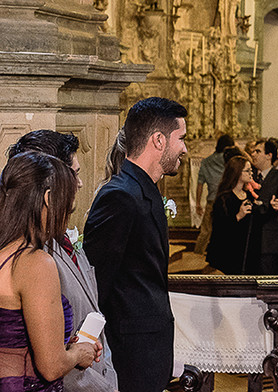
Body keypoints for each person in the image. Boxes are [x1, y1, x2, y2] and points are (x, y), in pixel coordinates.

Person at [84, 97, 188, 392]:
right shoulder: (120, 196)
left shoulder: (144, 190)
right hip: (129, 350)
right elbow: (96, 278)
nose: (184, 148)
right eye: (180, 138)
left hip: (147, 347)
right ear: (158, 140)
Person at [5, 133, 114, 392]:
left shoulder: (8, 250)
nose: (78, 184)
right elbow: (51, 365)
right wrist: (77, 353)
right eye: (71, 177)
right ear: (48, 195)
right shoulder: (35, 260)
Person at [205, 154, 257, 274]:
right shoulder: (224, 198)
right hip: (229, 250)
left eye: (251, 170)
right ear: (238, 173)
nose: (251, 173)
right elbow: (219, 228)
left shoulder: (249, 195)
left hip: (247, 249)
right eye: (247, 171)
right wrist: (238, 216)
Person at [248, 138, 278, 274]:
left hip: (268, 239)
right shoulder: (248, 176)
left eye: (258, 151)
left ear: (269, 156)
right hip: (249, 236)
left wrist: (276, 206)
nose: (253, 154)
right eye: (253, 151)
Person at [194, 133, 235, 255]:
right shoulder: (230, 159)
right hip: (227, 199)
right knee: (226, 230)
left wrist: (197, 203)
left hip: (212, 199)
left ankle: (197, 255)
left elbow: (200, 184)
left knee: (206, 230)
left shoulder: (206, 161)